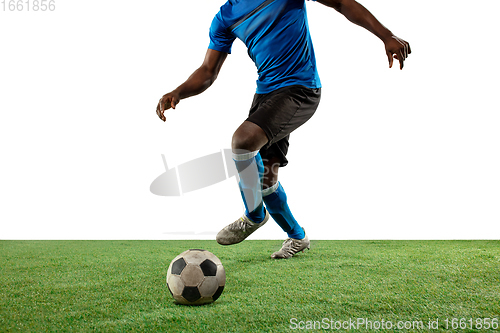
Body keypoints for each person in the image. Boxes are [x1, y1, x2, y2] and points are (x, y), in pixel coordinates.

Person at [156, 0, 411, 259]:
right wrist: (178, 92)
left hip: (301, 89)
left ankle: (254, 215)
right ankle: (297, 236)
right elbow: (208, 71)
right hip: (266, 95)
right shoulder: (224, 17)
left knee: (242, 141)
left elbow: (342, 3)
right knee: (266, 178)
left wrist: (386, 36)